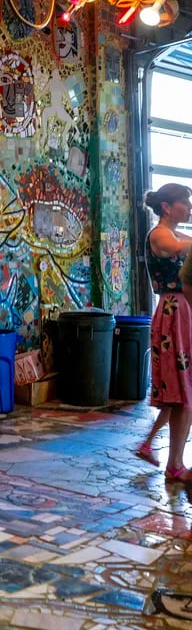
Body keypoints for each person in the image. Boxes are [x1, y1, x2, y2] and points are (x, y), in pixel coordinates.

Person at [140, 183, 192, 480]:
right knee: (181, 391)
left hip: (183, 311)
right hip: (174, 311)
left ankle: (174, 461)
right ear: (167, 208)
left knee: (184, 391)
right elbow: (174, 249)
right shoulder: (159, 235)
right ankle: (174, 464)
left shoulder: (176, 234)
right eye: (184, 203)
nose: (188, 207)